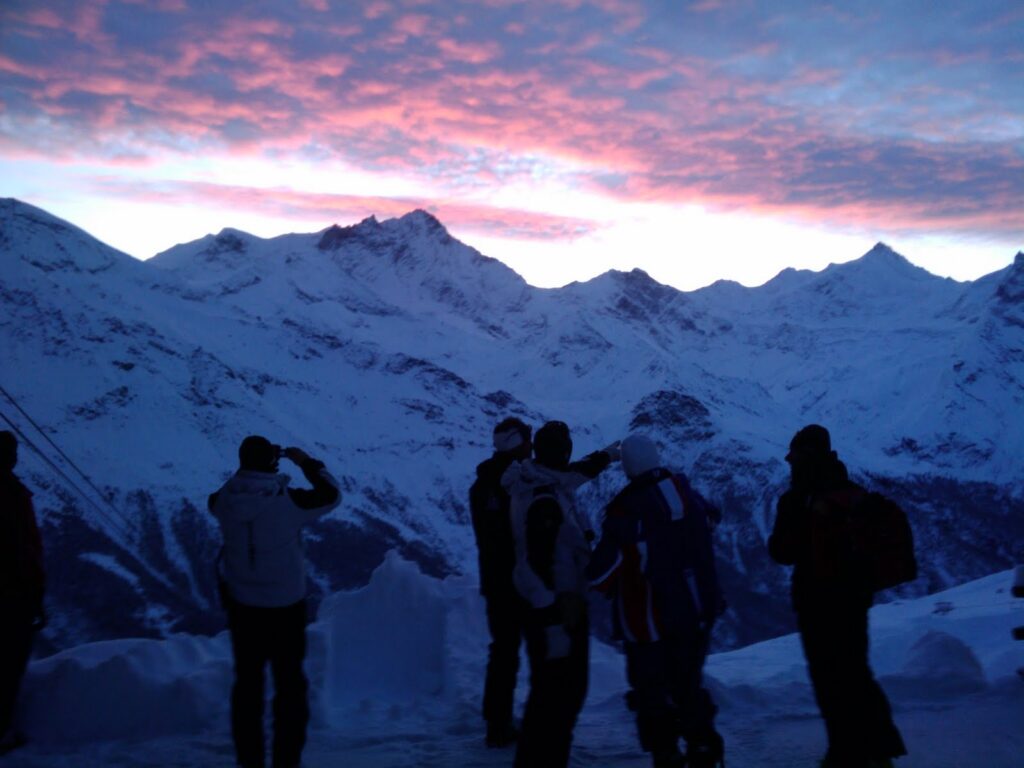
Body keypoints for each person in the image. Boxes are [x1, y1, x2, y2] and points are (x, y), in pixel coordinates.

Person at [768, 424, 906, 768]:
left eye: (794, 456)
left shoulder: (798, 499)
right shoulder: (852, 493)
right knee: (856, 671)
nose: (790, 463)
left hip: (816, 600)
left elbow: (781, 551)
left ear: (803, 457)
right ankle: (880, 746)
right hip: (854, 599)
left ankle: (844, 752)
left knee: (829, 679)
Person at [587, 434, 724, 768]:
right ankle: (703, 749)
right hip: (695, 612)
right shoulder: (690, 499)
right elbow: (712, 520)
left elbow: (600, 575)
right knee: (687, 686)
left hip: (646, 621)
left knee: (651, 693)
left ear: (629, 466)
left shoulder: (627, 514)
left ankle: (666, 755)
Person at [209, 436, 341, 768]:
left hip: (242, 607)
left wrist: (249, 469)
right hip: (286, 607)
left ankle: (249, 761)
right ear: (273, 463)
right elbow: (332, 494)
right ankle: (286, 761)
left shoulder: (221, 501)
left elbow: (222, 494)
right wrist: (304, 460)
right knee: (290, 687)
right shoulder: (290, 502)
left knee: (248, 687)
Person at [502, 420, 619, 768]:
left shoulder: (538, 477)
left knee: (549, 693)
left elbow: (576, 473)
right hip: (556, 613)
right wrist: (553, 617)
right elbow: (535, 565)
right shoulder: (544, 499)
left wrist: (607, 456)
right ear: (562, 453)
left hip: (550, 609)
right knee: (561, 695)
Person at [469, 417, 532, 747]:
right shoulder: (519, 480)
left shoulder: (481, 485)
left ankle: (497, 721)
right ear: (517, 443)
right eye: (527, 440)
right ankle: (536, 718)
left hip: (494, 579)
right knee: (538, 649)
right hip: (524, 578)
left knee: (503, 652)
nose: (531, 445)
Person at [0, 431, 45, 754]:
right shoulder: (13, 496)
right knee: (7, 665)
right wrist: (35, 596)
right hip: (11, 597)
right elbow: (25, 551)